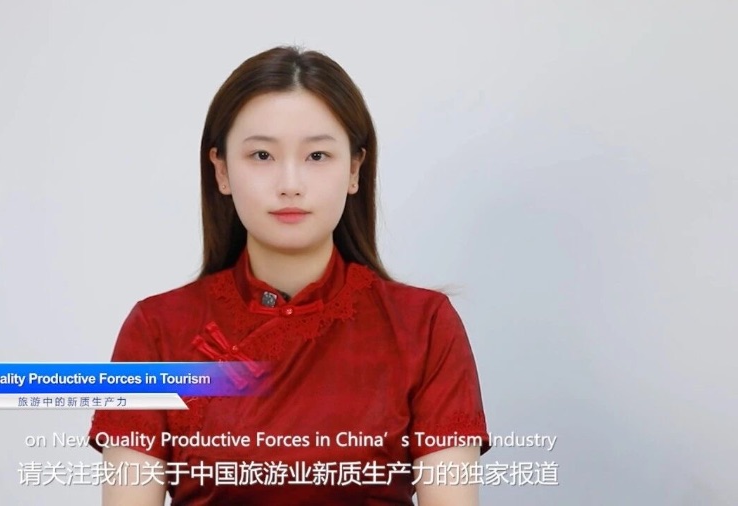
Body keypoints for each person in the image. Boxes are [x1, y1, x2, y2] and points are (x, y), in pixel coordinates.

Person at [88, 45, 490, 505]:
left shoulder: (425, 327)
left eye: (317, 155)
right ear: (221, 170)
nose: (290, 184)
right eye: (262, 155)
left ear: (355, 169)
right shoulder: (156, 331)